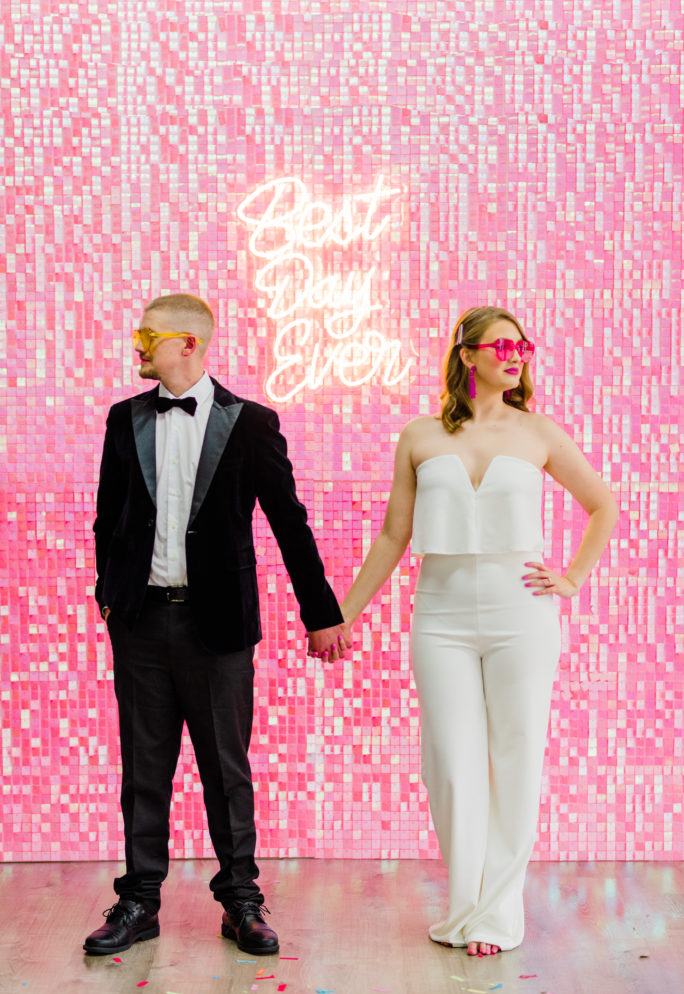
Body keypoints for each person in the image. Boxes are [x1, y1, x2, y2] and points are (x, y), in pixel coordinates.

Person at [337, 306, 618, 955]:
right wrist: (345, 613)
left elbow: (602, 505)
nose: (516, 355)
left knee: (517, 758)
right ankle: (465, 907)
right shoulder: (420, 435)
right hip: (440, 615)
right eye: (502, 345)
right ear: (467, 354)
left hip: (522, 614)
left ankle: (498, 915)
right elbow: (392, 536)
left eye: (524, 345)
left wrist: (571, 579)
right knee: (452, 767)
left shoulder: (539, 431)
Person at [85, 292, 350, 957]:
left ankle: (241, 900)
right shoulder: (124, 420)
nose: (137, 344)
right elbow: (106, 520)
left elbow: (291, 524)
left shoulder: (252, 423)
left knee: (226, 769)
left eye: (148, 334)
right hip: (141, 623)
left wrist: (322, 614)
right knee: (144, 767)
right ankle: (139, 900)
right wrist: (110, 602)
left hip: (221, 628)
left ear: (189, 344)